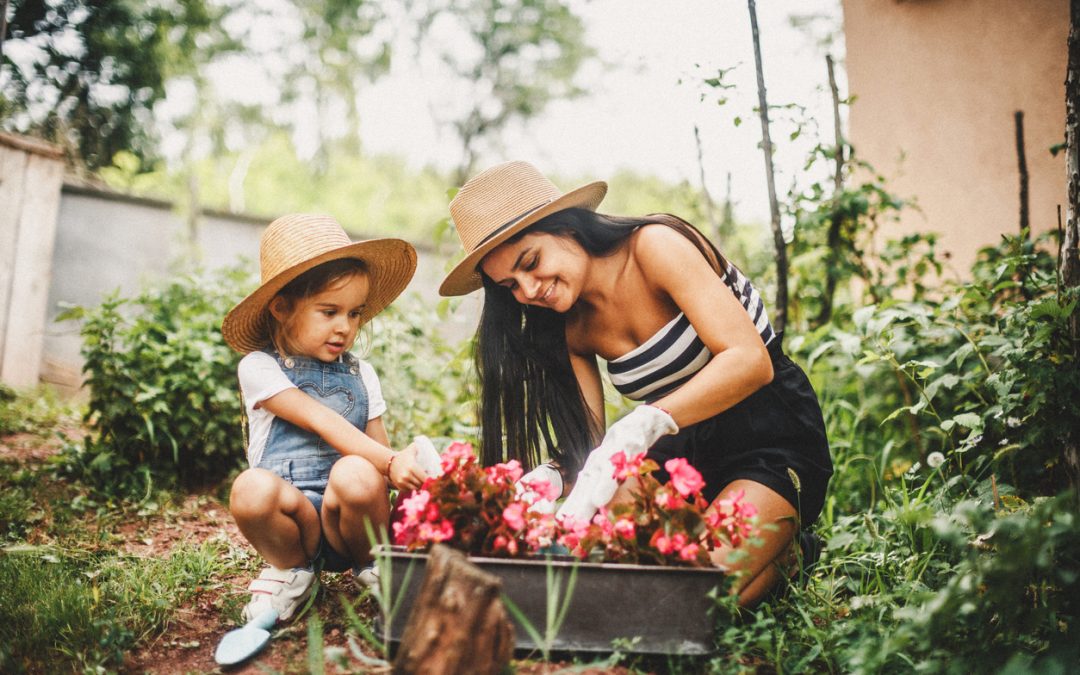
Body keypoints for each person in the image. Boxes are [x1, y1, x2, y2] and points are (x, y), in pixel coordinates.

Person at [439, 161, 832, 606]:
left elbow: (750, 362)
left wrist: (643, 422)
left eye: (531, 262)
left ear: (567, 227)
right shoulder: (569, 327)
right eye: (510, 284)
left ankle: (789, 556)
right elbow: (591, 452)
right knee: (634, 574)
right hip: (682, 449)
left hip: (769, 431)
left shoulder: (654, 246)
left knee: (693, 599)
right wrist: (545, 484)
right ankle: (749, 557)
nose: (528, 290)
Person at [221, 213, 429, 623]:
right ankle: (292, 572)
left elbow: (378, 455)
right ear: (281, 308)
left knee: (356, 470)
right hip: (292, 523)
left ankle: (373, 567)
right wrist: (389, 462)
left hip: (346, 525)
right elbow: (318, 418)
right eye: (329, 311)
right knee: (249, 489)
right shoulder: (259, 367)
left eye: (354, 313)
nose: (345, 328)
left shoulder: (362, 374)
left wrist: (406, 467)